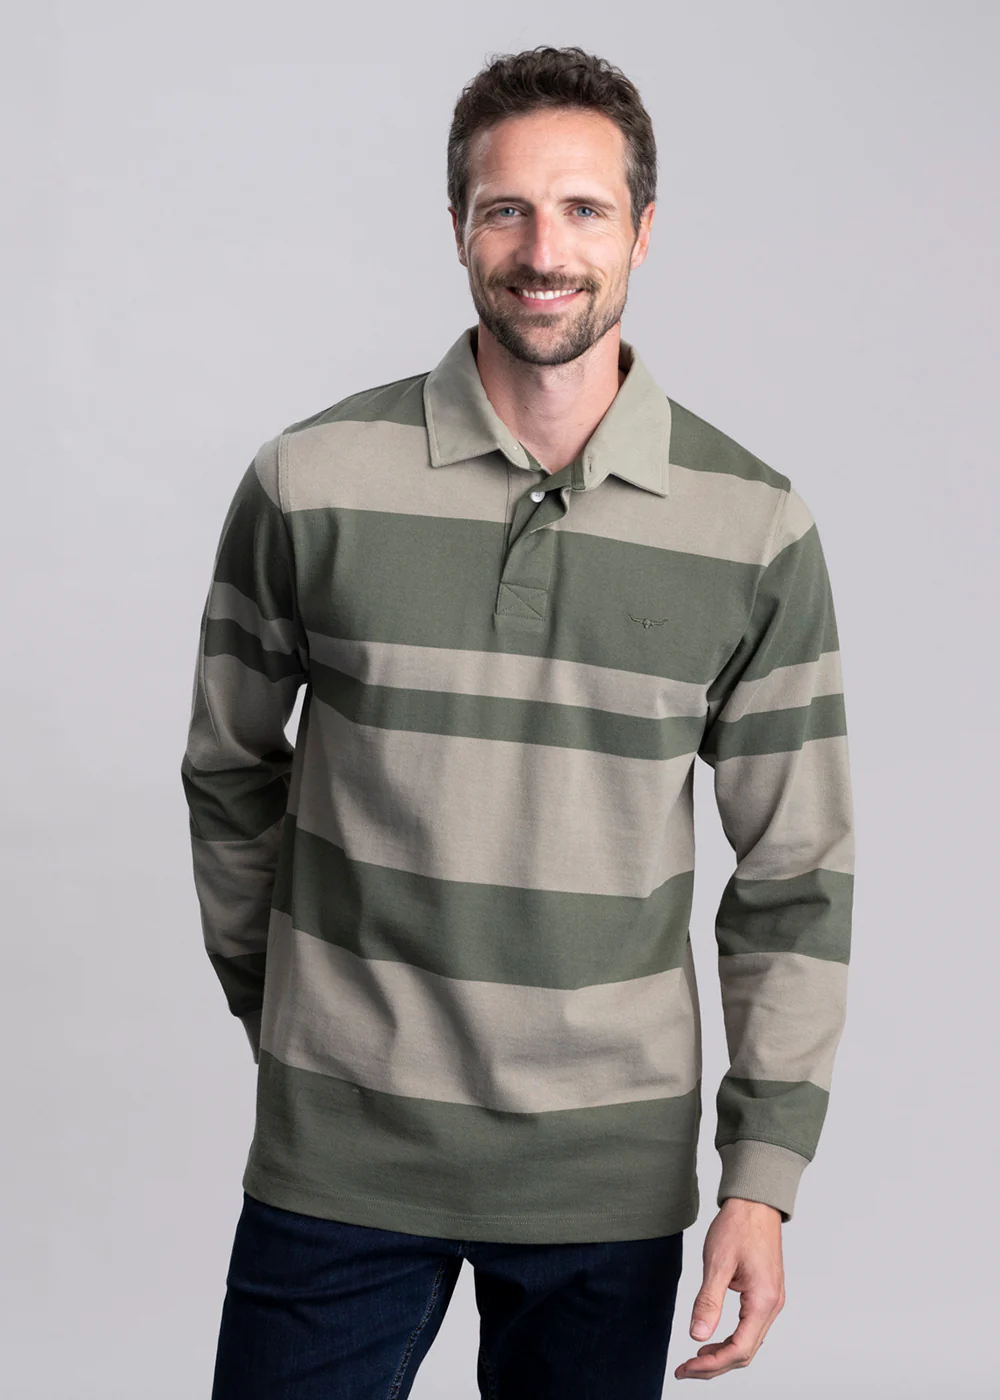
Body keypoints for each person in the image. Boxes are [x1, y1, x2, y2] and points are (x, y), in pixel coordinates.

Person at [181, 44, 855, 1397]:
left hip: (605, 1178)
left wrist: (762, 1179)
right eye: (507, 209)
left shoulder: (755, 528)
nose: (546, 252)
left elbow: (797, 874)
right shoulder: (310, 483)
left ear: (643, 231)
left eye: (584, 209)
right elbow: (229, 769)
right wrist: (298, 1018)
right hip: (340, 1151)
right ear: (457, 226)